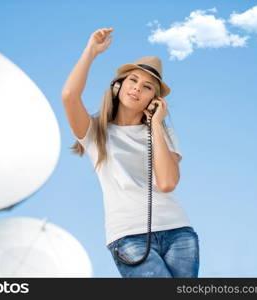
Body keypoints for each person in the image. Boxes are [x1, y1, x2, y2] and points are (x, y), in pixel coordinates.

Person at [61, 27, 199, 278]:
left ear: (153, 99)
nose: (137, 88)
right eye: (133, 80)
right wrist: (91, 51)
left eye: (147, 87)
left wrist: (155, 124)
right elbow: (69, 95)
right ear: (118, 85)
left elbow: (167, 183)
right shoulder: (96, 131)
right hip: (128, 236)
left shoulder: (164, 134)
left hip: (179, 231)